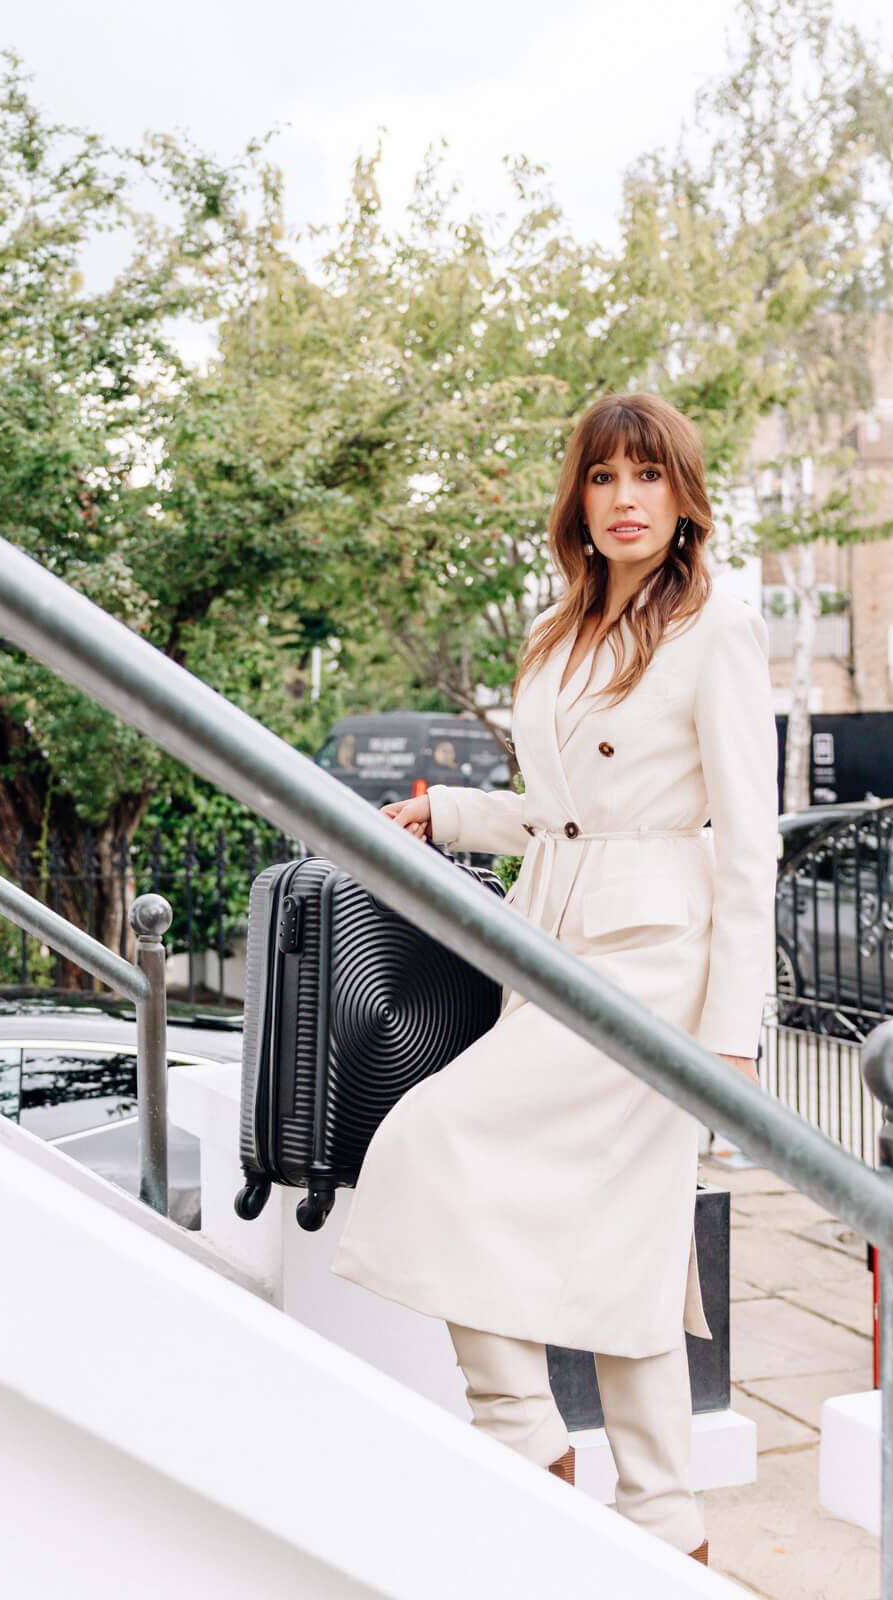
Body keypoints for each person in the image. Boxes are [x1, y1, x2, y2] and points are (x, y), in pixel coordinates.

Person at [328, 391, 780, 1565]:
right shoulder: (559, 628)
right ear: (576, 497)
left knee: (433, 1140)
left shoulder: (718, 624)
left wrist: (734, 1033)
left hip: (656, 967)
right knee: (627, 1240)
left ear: (684, 494)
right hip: (553, 948)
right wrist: (450, 812)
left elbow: (747, 837)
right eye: (603, 478)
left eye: (648, 476)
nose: (626, 500)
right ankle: (667, 1524)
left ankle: (523, 1437)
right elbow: (557, 815)